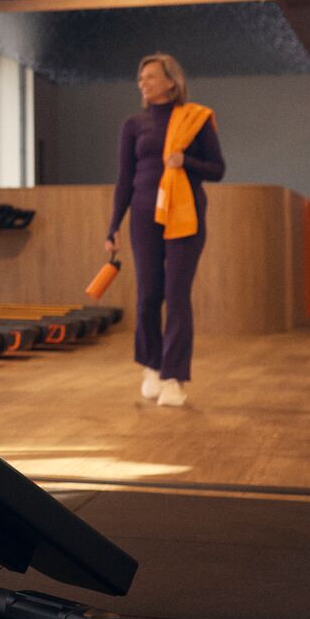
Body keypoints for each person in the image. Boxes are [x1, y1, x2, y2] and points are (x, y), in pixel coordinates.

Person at [106, 53, 224, 408]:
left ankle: (174, 376)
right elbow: (124, 179)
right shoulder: (133, 124)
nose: (143, 83)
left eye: (151, 77)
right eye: (141, 78)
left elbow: (217, 169)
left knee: (177, 295)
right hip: (143, 215)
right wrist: (113, 225)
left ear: (172, 81)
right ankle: (152, 367)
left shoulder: (196, 119)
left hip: (185, 215)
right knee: (147, 295)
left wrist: (184, 161)